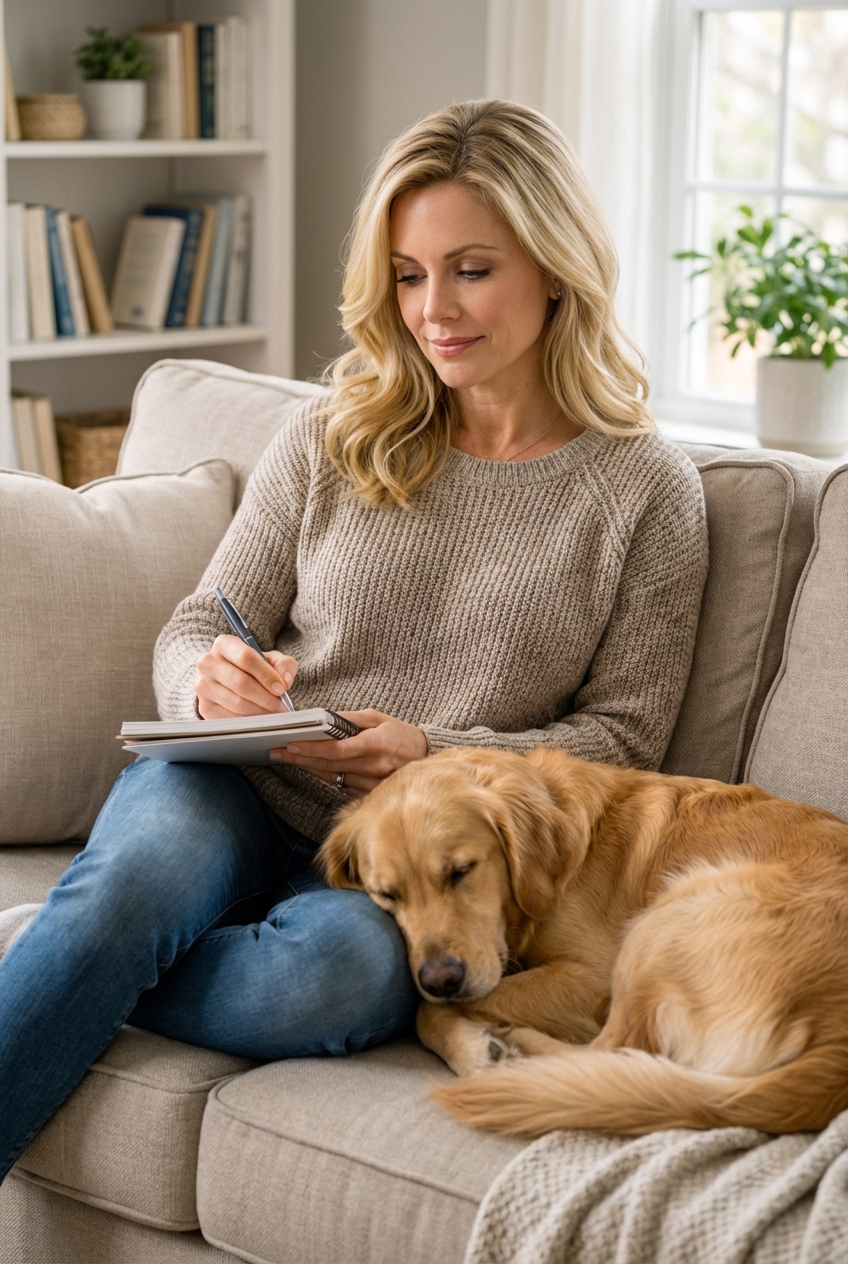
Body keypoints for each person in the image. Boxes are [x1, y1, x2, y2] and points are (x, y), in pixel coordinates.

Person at [0, 99, 708, 1182]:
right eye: (408, 275)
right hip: (237, 788)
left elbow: (624, 740)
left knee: (336, 988)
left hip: (406, 872)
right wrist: (211, 679)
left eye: (470, 269)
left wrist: (432, 752)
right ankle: (98, 931)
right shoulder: (337, 427)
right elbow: (201, 619)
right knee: (138, 883)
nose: (433, 310)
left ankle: (61, 951)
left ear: (556, 267)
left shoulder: (643, 490)